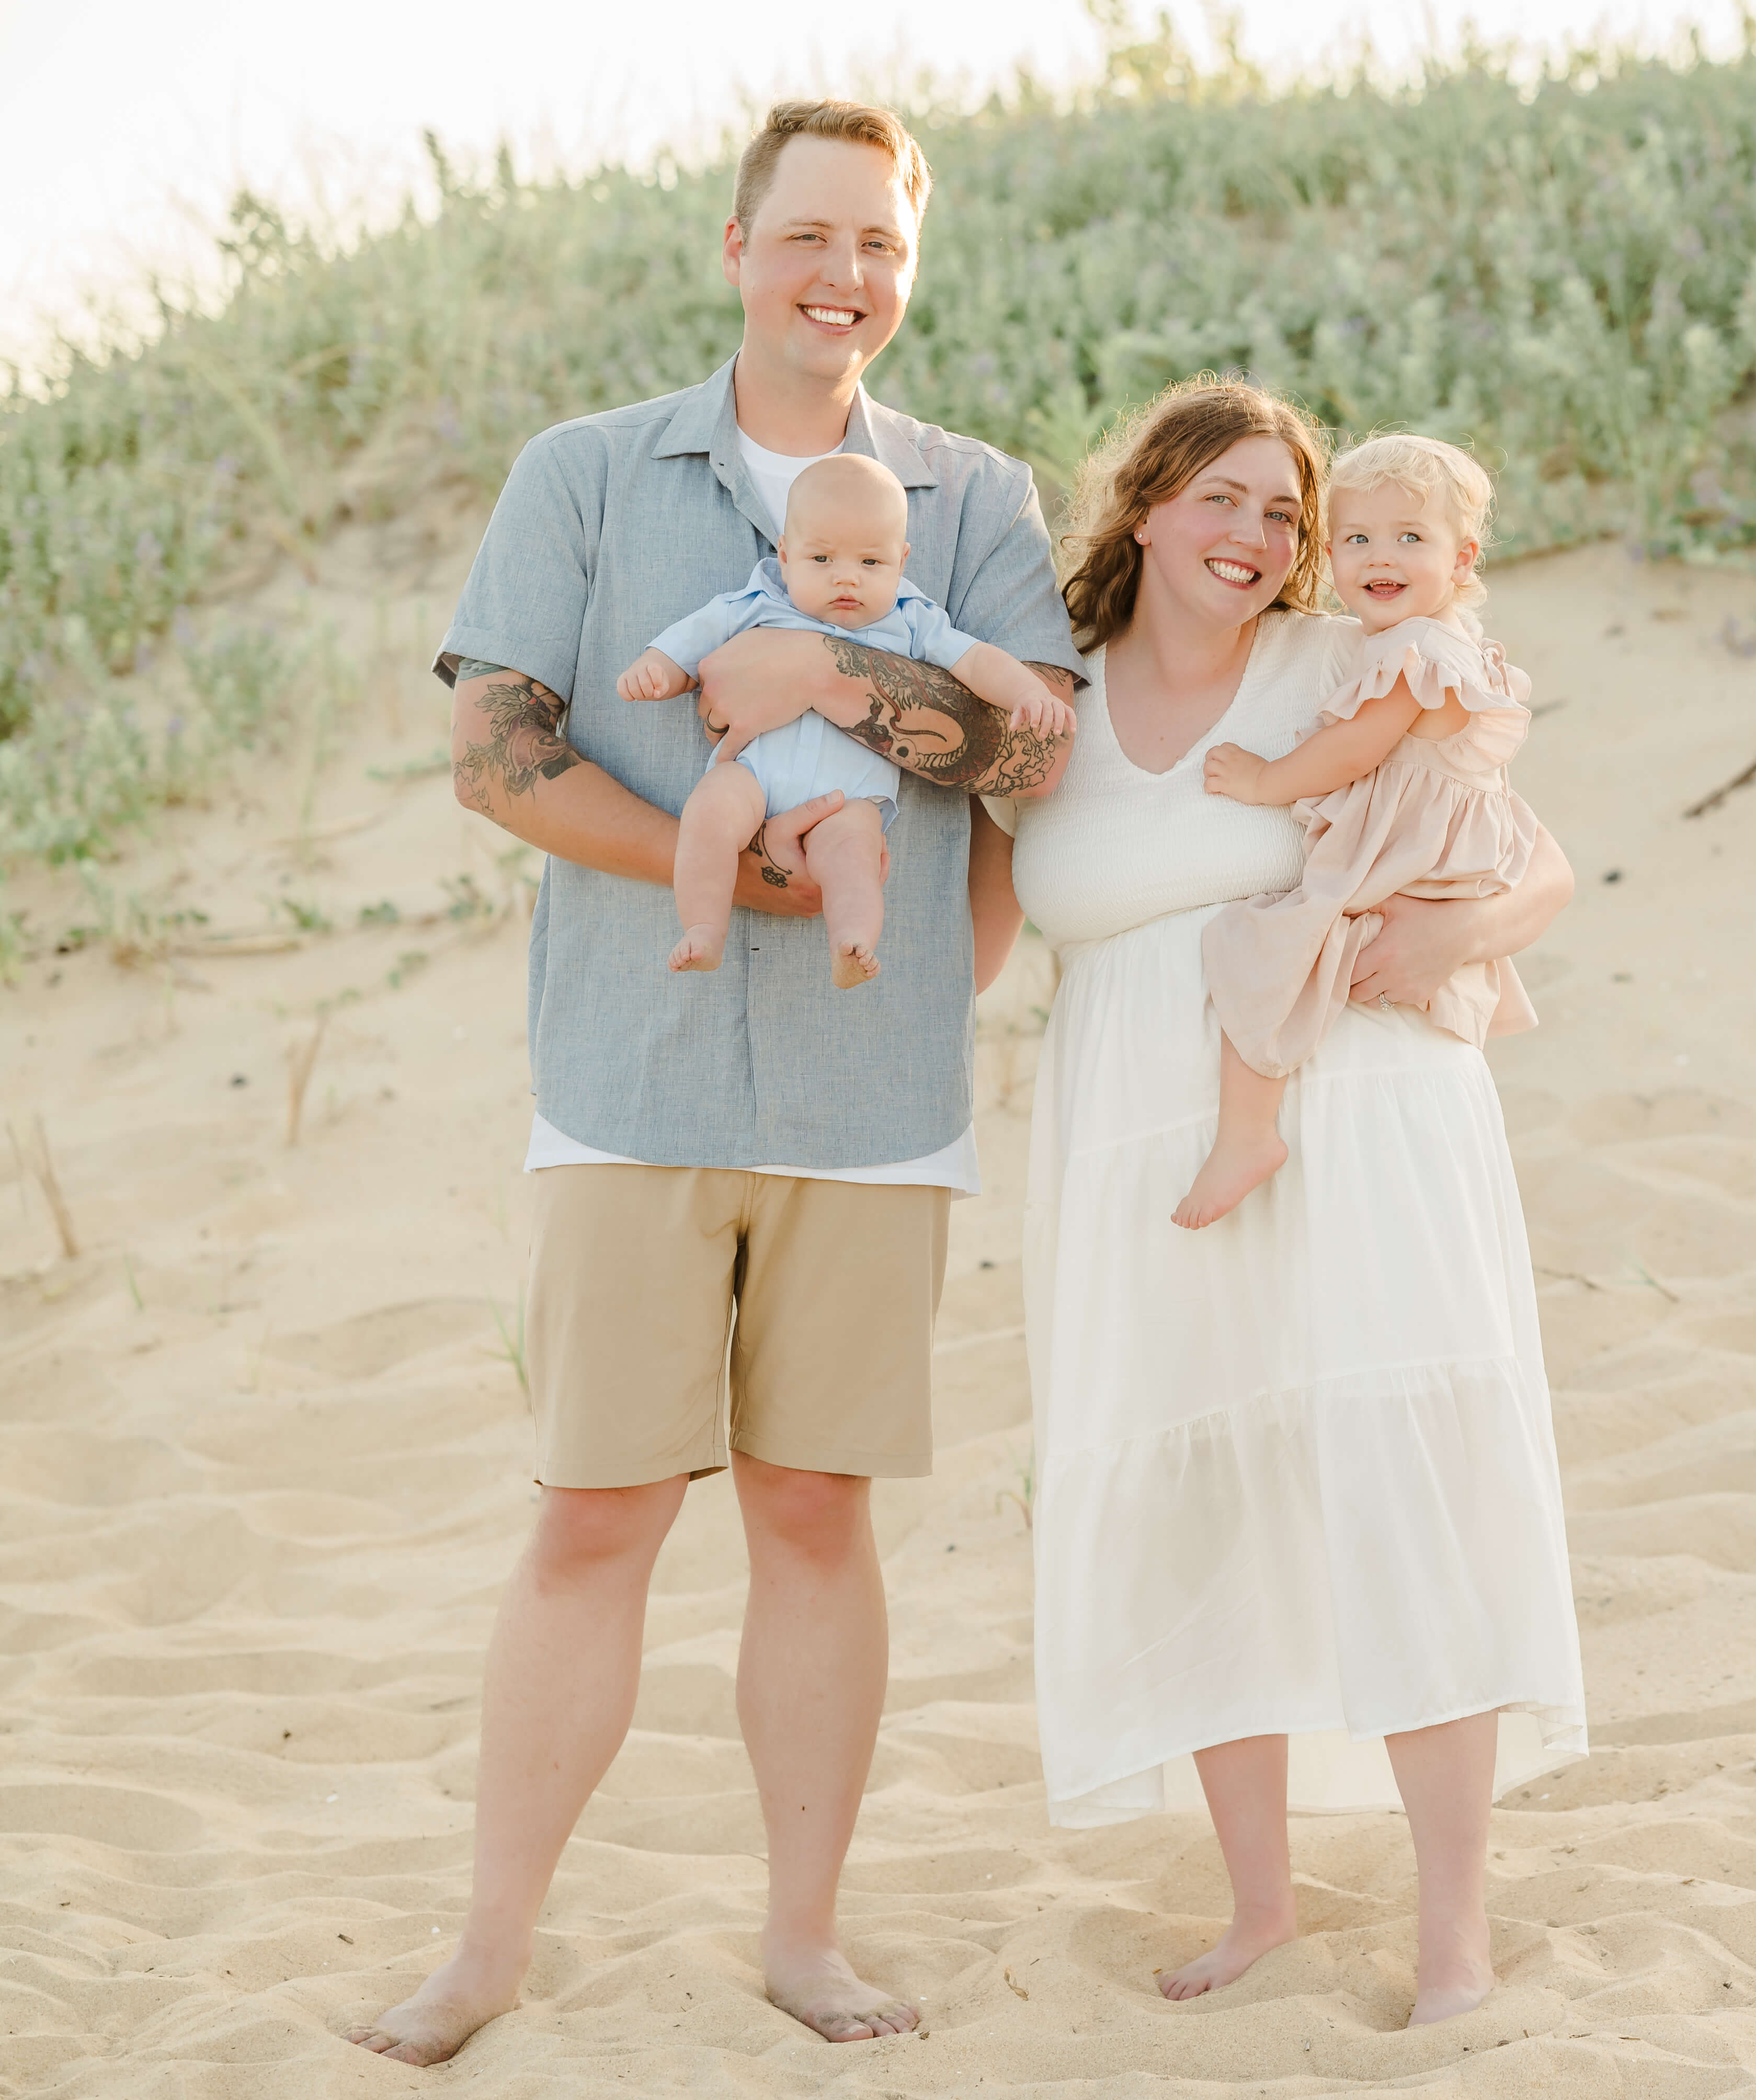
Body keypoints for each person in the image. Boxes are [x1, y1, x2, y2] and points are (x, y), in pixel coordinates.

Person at [347, 98, 1085, 2068]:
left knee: (814, 1512)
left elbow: (1032, 763)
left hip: (872, 1097)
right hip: (627, 1076)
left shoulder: (976, 499)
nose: (845, 276)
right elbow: (498, 755)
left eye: (882, 247)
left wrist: (833, 690)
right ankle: (488, 1951)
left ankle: (803, 1935)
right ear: (738, 245)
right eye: (810, 235)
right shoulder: (585, 477)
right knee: (590, 1518)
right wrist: (740, 868)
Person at [998, 378, 1587, 2029]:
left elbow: (1530, 863)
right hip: (1131, 1135)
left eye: (1285, 512)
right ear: (1144, 506)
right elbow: (977, 919)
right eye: (1224, 502)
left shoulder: (1344, 661)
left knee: (1406, 1477)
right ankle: (1260, 1901)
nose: (1259, 539)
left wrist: (1446, 939)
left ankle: (1453, 1931)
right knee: (1204, 1488)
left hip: (1360, 1117)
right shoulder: (1053, 706)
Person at [1173, 433, 1539, 1229]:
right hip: (1437, 853)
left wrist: (1266, 780)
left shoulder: (1414, 651)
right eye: (1360, 539)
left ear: (1464, 558)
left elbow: (1355, 748)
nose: (1384, 556)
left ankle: (1248, 1135)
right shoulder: (1441, 645)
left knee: (1262, 942)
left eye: (1412, 538)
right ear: (1331, 551)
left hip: (1405, 858)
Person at [625, 451, 1074, 985]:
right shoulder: (758, 601)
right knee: (708, 815)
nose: (846, 580)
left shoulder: (910, 617)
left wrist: (1024, 689)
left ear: (900, 562)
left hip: (849, 796)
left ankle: (852, 939)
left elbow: (974, 659)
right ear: (786, 556)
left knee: (854, 855)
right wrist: (660, 669)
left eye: (870, 563)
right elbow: (695, 638)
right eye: (822, 560)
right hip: (753, 773)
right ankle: (703, 927)